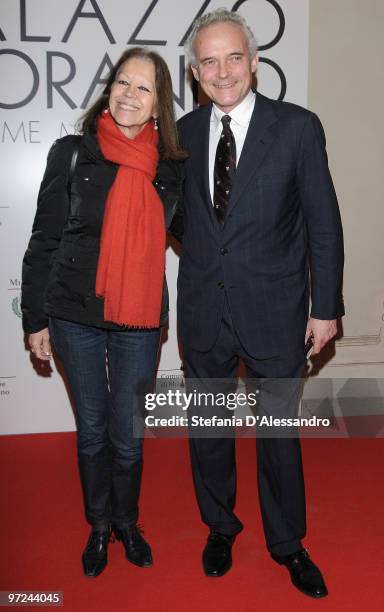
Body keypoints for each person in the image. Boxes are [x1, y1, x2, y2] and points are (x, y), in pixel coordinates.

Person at [175, 9, 344, 598]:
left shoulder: (297, 127)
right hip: (203, 311)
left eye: (234, 57)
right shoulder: (184, 133)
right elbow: (179, 219)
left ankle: (287, 543)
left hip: (277, 310)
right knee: (211, 429)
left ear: (254, 61)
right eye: (210, 62)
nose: (223, 72)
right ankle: (220, 527)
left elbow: (324, 224)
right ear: (196, 73)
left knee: (277, 433)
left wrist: (326, 307)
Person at [21, 47, 185, 578]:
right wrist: (34, 319)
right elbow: (44, 238)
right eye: (122, 82)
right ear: (109, 89)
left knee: (127, 431)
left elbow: (200, 239)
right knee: (92, 427)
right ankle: (98, 526)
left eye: (143, 87)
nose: (129, 94)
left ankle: (127, 523)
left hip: (138, 320)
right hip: (72, 313)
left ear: (159, 104)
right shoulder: (72, 152)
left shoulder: (172, 169)